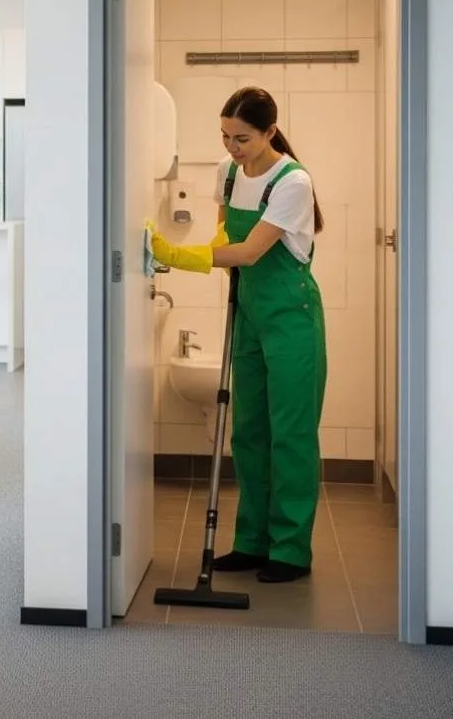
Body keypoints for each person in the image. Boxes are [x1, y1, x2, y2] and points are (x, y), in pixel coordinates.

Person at [150, 86, 326, 584]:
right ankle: (252, 541)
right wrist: (212, 249)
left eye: (242, 138)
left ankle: (290, 550)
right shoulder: (227, 172)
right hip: (249, 312)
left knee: (290, 434)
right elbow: (226, 236)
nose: (232, 147)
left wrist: (177, 256)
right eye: (225, 136)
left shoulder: (293, 182)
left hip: (292, 317)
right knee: (248, 432)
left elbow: (249, 252)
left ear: (270, 132)